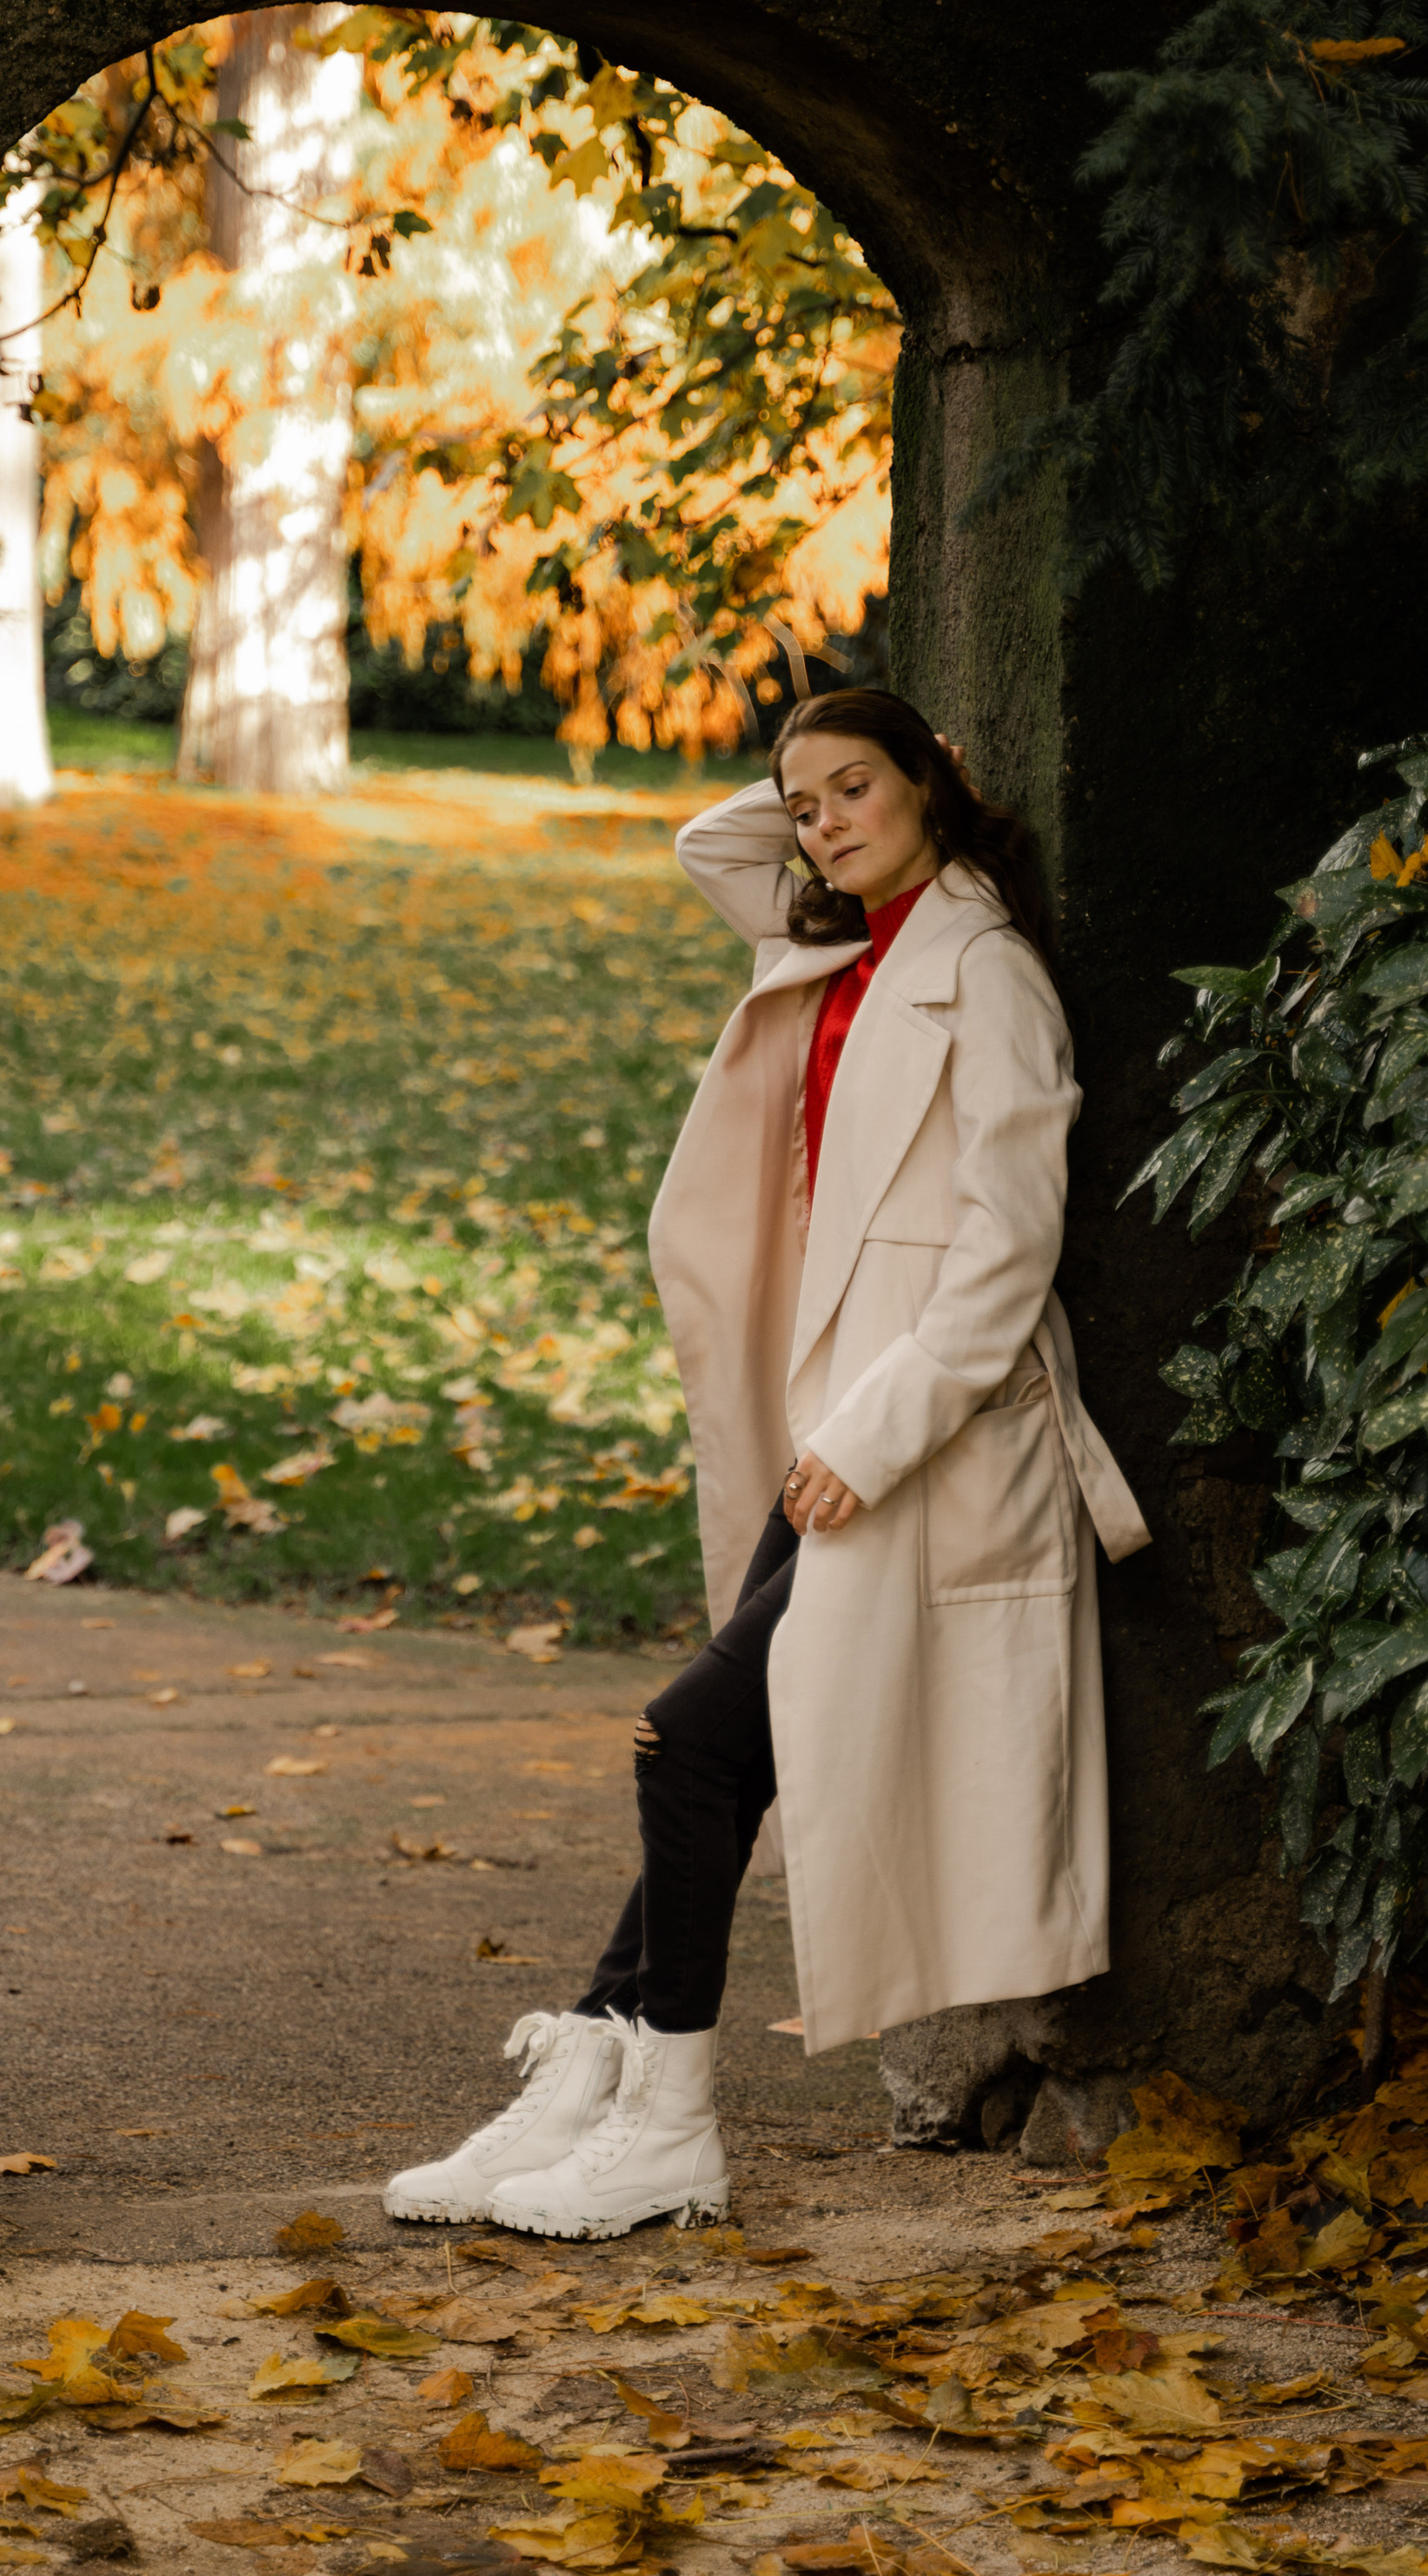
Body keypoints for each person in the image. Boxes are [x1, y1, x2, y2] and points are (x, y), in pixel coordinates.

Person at [384, 687, 1148, 2241]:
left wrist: (870, 1440)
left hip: (915, 1445)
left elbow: (1012, 1255)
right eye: (805, 804)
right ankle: (592, 2076)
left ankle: (668, 2121)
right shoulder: (838, 943)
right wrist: (816, 783)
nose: (821, 825)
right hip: (837, 1434)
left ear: (933, 782)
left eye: (858, 790)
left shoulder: (985, 974)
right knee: (722, 1766)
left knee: (693, 1744)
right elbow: (709, 843)